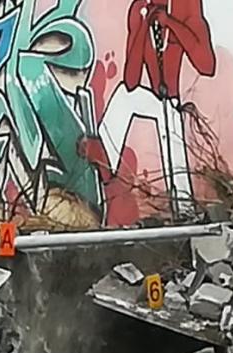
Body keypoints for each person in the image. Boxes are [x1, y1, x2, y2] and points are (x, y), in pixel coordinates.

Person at [80, 0, 215, 218]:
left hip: (176, 101)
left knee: (171, 121)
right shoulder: (138, 10)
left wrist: (170, 23)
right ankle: (107, 156)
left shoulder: (187, 5)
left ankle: (185, 207)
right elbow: (131, 81)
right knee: (125, 96)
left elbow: (207, 64)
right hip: (154, 97)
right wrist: (143, 28)